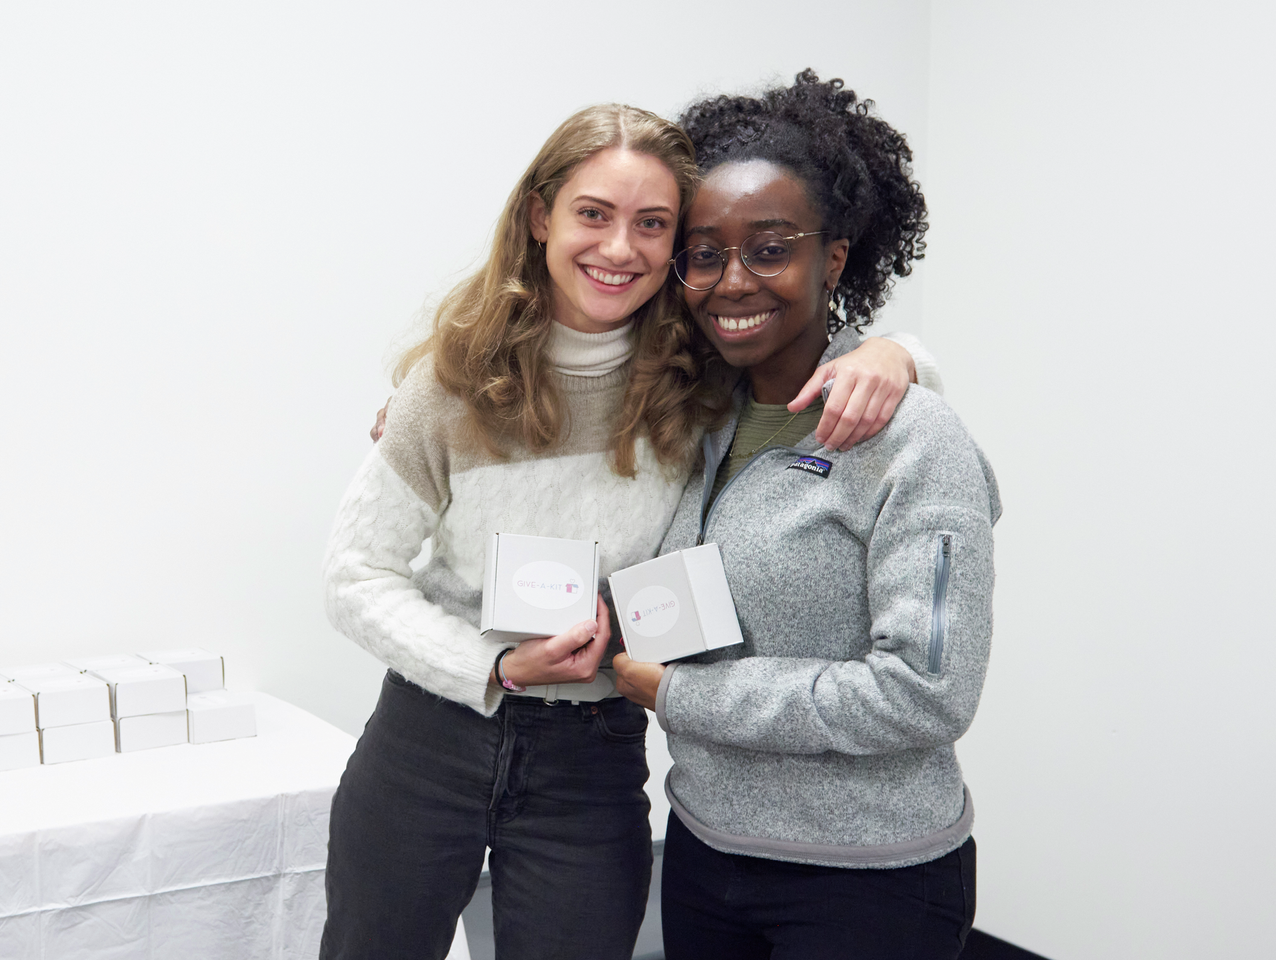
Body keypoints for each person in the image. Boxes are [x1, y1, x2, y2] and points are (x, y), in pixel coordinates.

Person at [321, 102, 939, 960]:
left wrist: (900, 354)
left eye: (653, 225)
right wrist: (492, 666)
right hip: (429, 741)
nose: (620, 249)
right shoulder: (452, 385)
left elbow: (803, 339)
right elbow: (354, 575)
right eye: (593, 215)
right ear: (540, 217)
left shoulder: (698, 379)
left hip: (592, 754)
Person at [613, 71, 1000, 960]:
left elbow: (923, 696)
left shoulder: (910, 438)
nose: (731, 281)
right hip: (705, 851)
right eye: (704, 254)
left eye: (770, 248)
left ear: (834, 258)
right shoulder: (688, 416)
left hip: (866, 880)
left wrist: (680, 695)